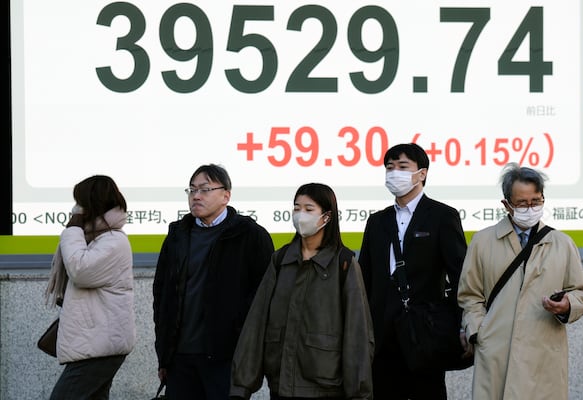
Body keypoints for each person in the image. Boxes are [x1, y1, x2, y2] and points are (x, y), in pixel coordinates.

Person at [457, 162, 583, 400]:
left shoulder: (561, 243)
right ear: (506, 204)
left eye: (536, 201)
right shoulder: (482, 242)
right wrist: (479, 333)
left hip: (543, 355)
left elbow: (581, 292)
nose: (530, 208)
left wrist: (567, 305)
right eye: (522, 203)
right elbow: (470, 295)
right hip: (497, 353)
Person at [230, 183, 374, 400]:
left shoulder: (344, 263)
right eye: (297, 208)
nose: (300, 215)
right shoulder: (280, 260)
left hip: (326, 389)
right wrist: (241, 388)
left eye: (309, 209)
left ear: (326, 217)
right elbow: (256, 324)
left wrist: (359, 394)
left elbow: (358, 333)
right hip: (281, 386)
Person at [153, 163, 274, 400]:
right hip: (180, 357)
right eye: (192, 190)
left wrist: (242, 344)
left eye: (205, 189)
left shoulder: (249, 235)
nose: (196, 196)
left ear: (225, 195)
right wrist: (164, 354)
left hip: (225, 357)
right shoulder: (178, 235)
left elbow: (264, 296)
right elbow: (162, 294)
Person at [358, 143, 467, 399]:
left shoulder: (442, 216)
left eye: (403, 166)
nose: (394, 172)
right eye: (389, 167)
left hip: (424, 333)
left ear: (422, 173)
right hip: (382, 333)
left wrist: (458, 322)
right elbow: (365, 277)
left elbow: (461, 273)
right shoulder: (377, 221)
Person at [46, 175, 135, 400]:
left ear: (91, 205)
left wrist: (73, 228)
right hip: (95, 342)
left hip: (99, 345)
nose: (76, 209)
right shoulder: (97, 238)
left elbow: (80, 270)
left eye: (80, 203)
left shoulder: (114, 241)